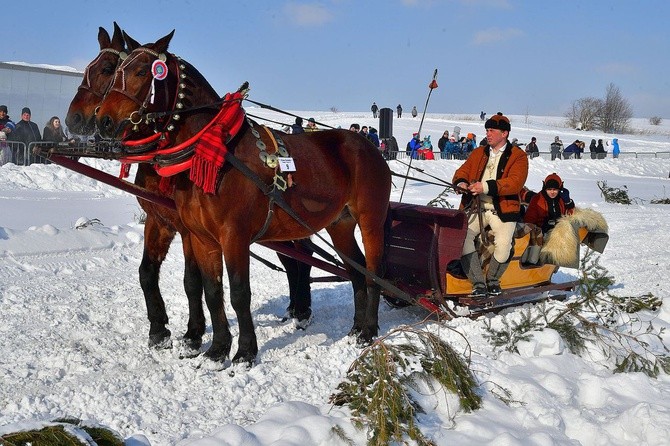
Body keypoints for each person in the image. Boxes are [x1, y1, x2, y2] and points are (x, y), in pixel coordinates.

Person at [452, 112, 529, 298]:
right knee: (461, 239)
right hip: (475, 208)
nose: (488, 134)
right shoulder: (479, 152)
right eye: (487, 130)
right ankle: (478, 282)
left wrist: (484, 186)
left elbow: (515, 182)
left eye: (492, 130)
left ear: (504, 134)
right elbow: (462, 170)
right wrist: (461, 182)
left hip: (502, 210)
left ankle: (493, 280)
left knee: (504, 245)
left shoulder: (518, 156)